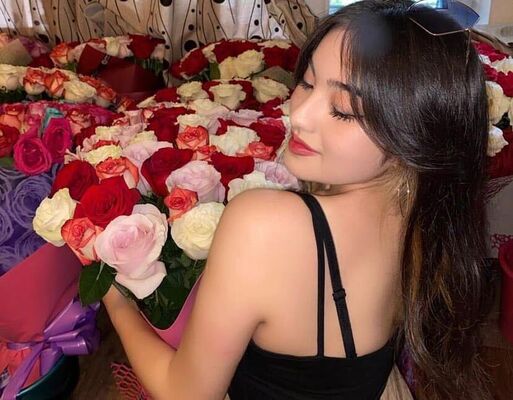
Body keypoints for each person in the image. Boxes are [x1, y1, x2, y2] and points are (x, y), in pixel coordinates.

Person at [102, 1, 493, 399]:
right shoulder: (428, 212)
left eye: (342, 110)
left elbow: (185, 393)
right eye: (307, 83)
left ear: (415, 134)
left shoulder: (264, 226)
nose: (299, 114)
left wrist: (118, 305)